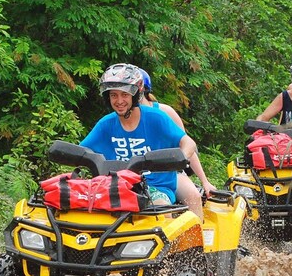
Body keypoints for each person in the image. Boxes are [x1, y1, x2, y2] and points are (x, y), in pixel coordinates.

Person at [80, 63, 199, 215]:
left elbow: (188, 142)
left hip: (155, 188)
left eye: (125, 94)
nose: (119, 100)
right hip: (116, 188)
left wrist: (181, 156)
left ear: (135, 95)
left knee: (160, 211)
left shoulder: (156, 118)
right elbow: (83, 150)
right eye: (113, 95)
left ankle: (195, 236)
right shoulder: (105, 124)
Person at [138, 68, 216, 217]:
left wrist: (205, 181)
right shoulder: (121, 117)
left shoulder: (165, 112)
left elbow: (187, 146)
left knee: (193, 196)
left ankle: (197, 237)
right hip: (135, 172)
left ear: (144, 91)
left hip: (168, 171)